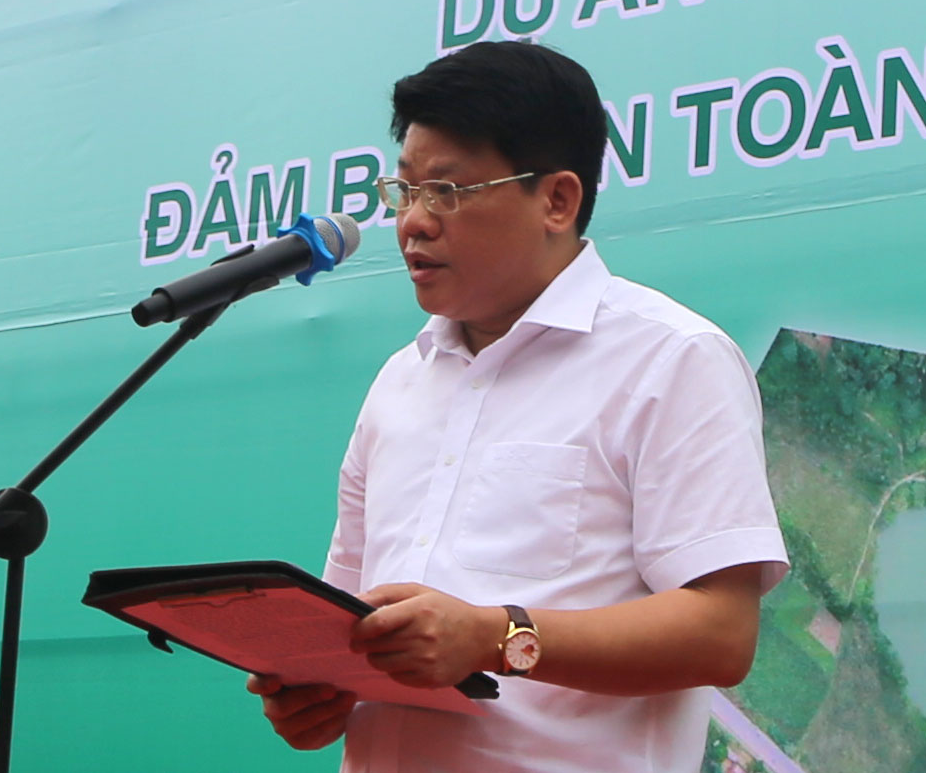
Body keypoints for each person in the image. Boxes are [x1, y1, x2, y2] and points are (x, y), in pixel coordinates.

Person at [248, 40, 788, 772]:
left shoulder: (670, 358)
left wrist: (496, 638)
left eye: (446, 191)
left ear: (557, 200)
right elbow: (347, 621)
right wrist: (318, 694)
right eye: (404, 191)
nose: (412, 223)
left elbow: (720, 635)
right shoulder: (399, 383)